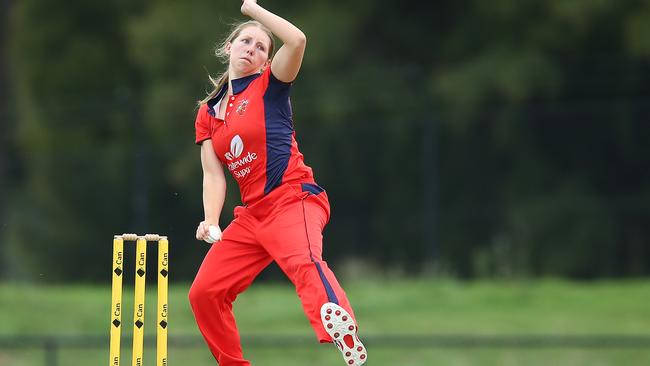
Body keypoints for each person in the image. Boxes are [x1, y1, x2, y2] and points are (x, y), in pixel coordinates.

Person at [188, 1, 367, 365]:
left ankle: (340, 325)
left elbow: (297, 40)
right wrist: (211, 220)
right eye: (245, 42)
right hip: (252, 217)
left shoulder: (271, 85)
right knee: (204, 292)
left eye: (260, 48)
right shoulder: (208, 112)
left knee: (304, 261)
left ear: (266, 62)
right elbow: (213, 172)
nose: (251, 49)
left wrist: (253, 10)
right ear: (228, 48)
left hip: (293, 198)